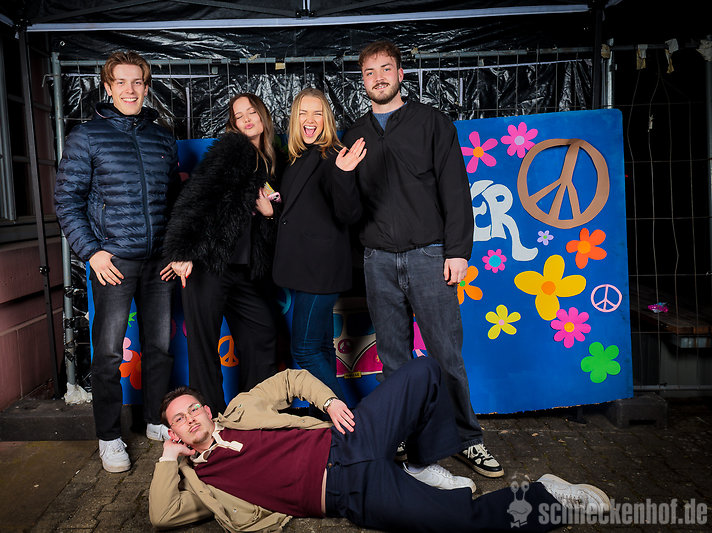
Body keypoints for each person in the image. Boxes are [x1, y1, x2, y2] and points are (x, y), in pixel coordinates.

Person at [148, 356, 610, 532]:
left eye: (193, 409)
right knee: (460, 523)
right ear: (175, 434)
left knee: (424, 372)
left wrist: (330, 402)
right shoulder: (203, 484)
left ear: (207, 409)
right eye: (179, 421)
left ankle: (421, 464)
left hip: (349, 437)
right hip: (351, 494)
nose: (190, 419)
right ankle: (550, 497)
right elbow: (161, 516)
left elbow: (290, 379)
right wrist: (169, 459)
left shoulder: (241, 410)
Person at [342, 40, 503, 477]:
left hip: (430, 256)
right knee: (393, 359)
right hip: (378, 261)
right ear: (362, 81)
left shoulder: (432, 122)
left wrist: (458, 252)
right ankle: (404, 437)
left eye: (385, 69)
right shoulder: (354, 135)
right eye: (369, 72)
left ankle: (467, 439)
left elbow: (456, 190)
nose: (378, 78)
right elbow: (349, 205)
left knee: (446, 355)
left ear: (400, 74)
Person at [55, 51, 179, 473]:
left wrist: (175, 247)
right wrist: (92, 251)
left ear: (146, 86)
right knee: (108, 354)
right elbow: (66, 200)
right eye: (120, 82)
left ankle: (155, 420)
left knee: (160, 347)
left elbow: (174, 202)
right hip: (114, 263)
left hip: (159, 263)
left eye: (137, 82)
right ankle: (109, 437)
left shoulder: (162, 137)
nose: (130, 90)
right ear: (107, 87)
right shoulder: (86, 137)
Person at [163, 93, 281, 418]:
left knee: (262, 334)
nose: (246, 119)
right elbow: (196, 196)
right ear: (234, 124)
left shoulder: (269, 161)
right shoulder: (232, 149)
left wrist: (269, 214)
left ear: (263, 115)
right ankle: (211, 424)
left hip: (242, 269)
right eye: (238, 115)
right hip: (207, 266)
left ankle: (253, 415)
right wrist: (183, 251)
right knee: (203, 349)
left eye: (251, 112)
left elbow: (266, 222)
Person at [272, 88, 366, 403]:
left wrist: (345, 174)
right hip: (305, 268)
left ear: (326, 119)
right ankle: (328, 421)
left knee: (304, 349)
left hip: (320, 271)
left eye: (317, 113)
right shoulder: (297, 157)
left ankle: (350, 421)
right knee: (322, 347)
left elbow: (349, 213)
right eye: (303, 113)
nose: (309, 120)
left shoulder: (334, 155)